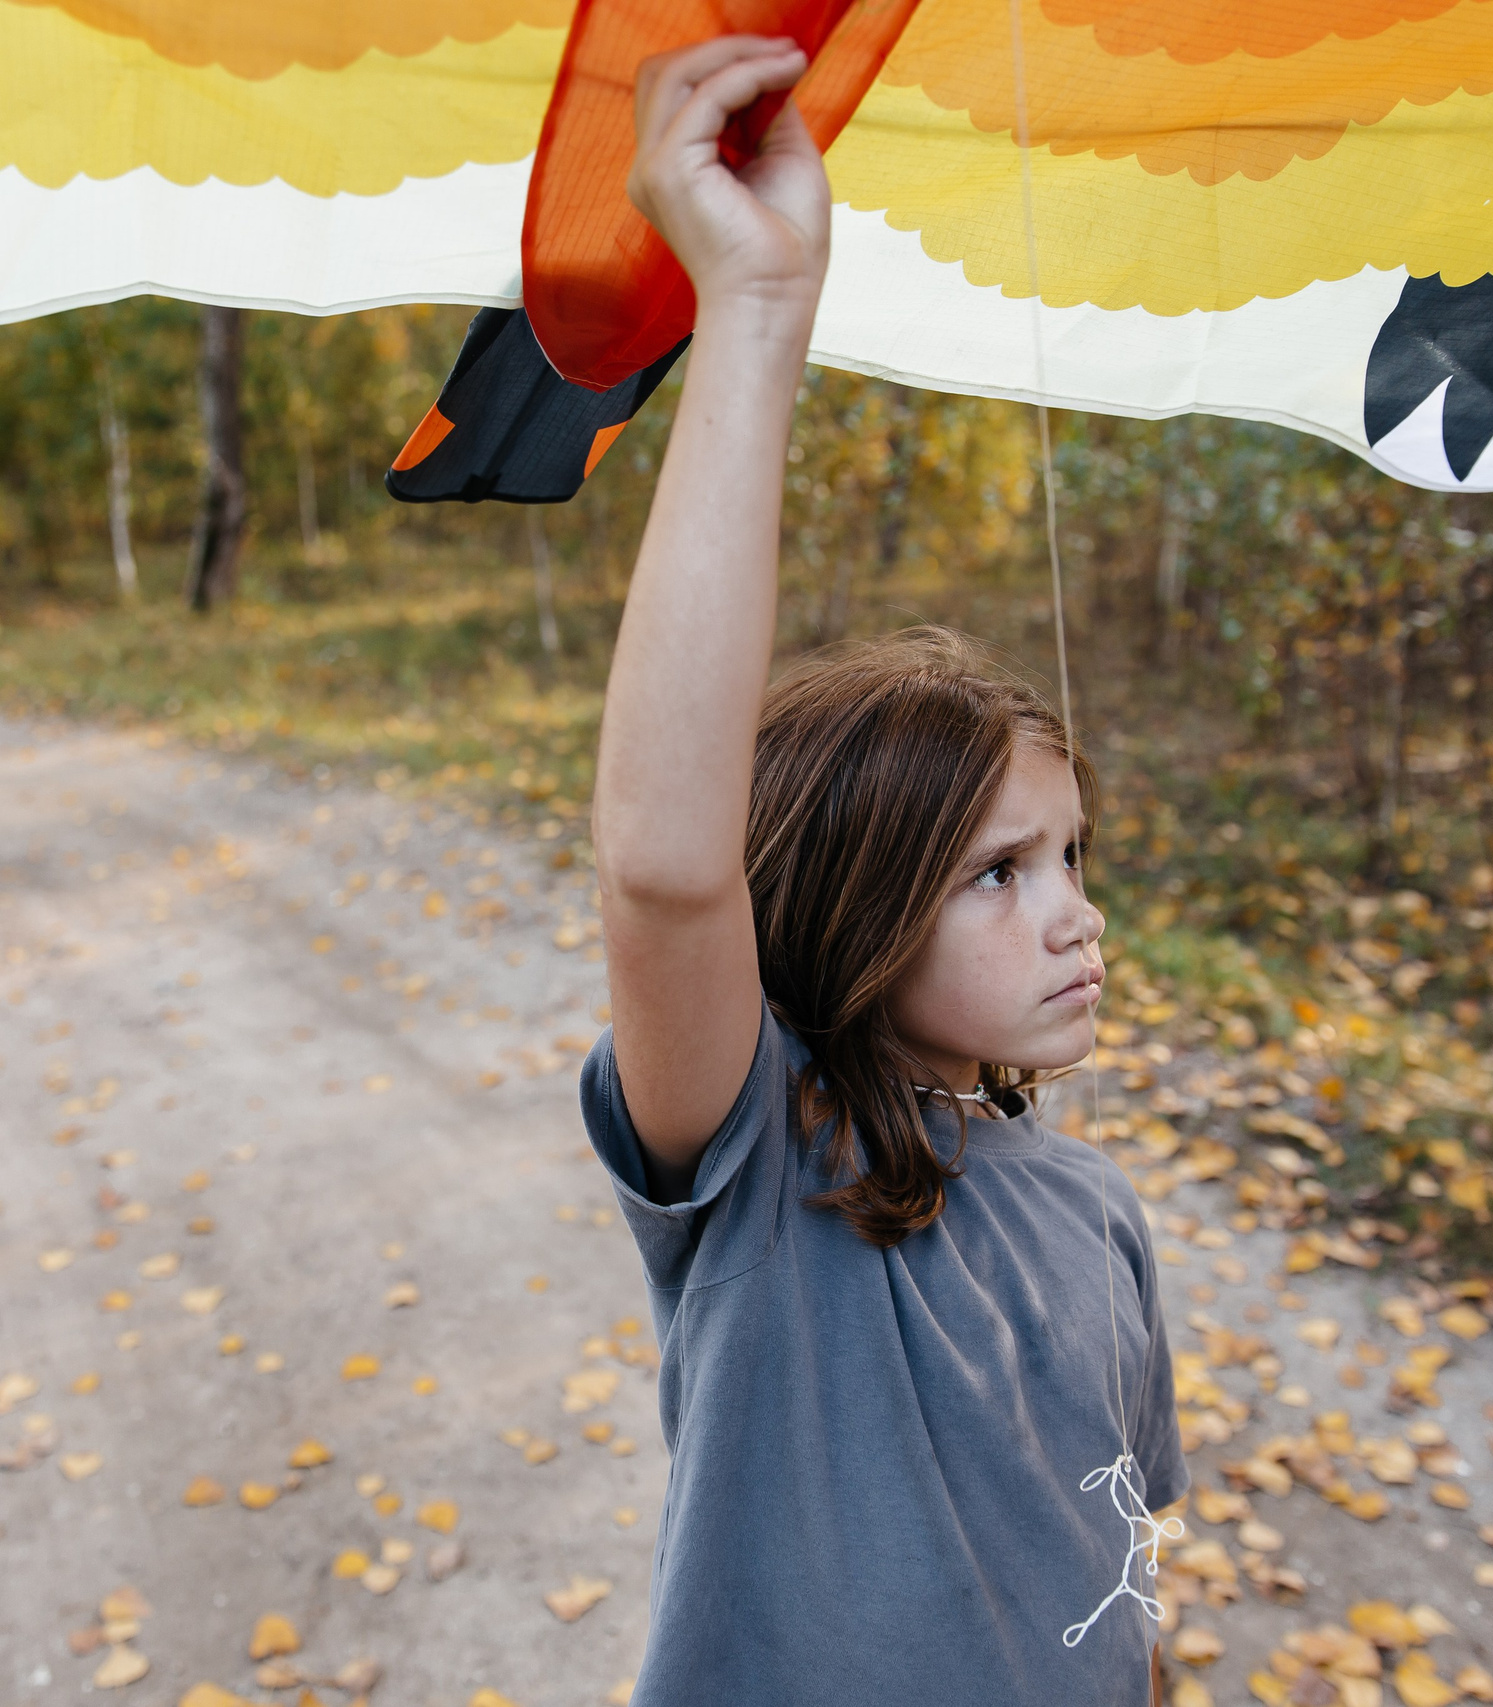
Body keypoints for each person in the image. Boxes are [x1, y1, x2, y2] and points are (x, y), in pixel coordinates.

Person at [581, 38, 1184, 1707]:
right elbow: (666, 870)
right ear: (851, 905)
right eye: (996, 871)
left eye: (1070, 855)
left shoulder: (1097, 1211)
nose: (1075, 911)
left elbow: (1115, 1564)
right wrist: (756, 306)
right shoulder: (762, 1165)